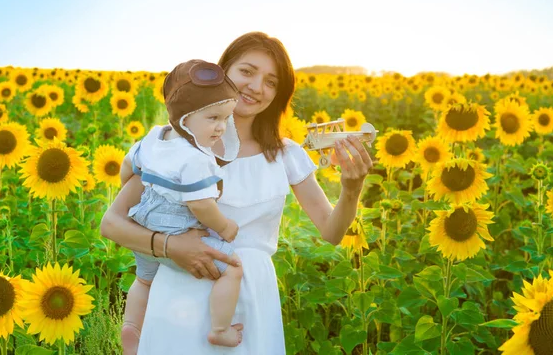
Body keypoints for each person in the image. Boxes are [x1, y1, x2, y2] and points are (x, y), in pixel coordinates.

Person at [100, 31, 373, 354]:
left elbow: (331, 231)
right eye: (247, 71)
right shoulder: (178, 145)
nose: (257, 87)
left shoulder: (286, 154)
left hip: (253, 298)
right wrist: (170, 246)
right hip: (180, 292)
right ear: (223, 71)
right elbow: (112, 223)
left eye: (271, 82)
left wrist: (351, 188)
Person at [120, 60, 246, 354]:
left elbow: (128, 168)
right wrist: (224, 226)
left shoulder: (154, 137)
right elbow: (200, 205)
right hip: (176, 227)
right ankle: (220, 329)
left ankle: (132, 327)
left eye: (226, 119)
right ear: (185, 118)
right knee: (233, 269)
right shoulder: (196, 158)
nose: (221, 127)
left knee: (143, 279)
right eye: (213, 117)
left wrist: (140, 192)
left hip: (143, 222)